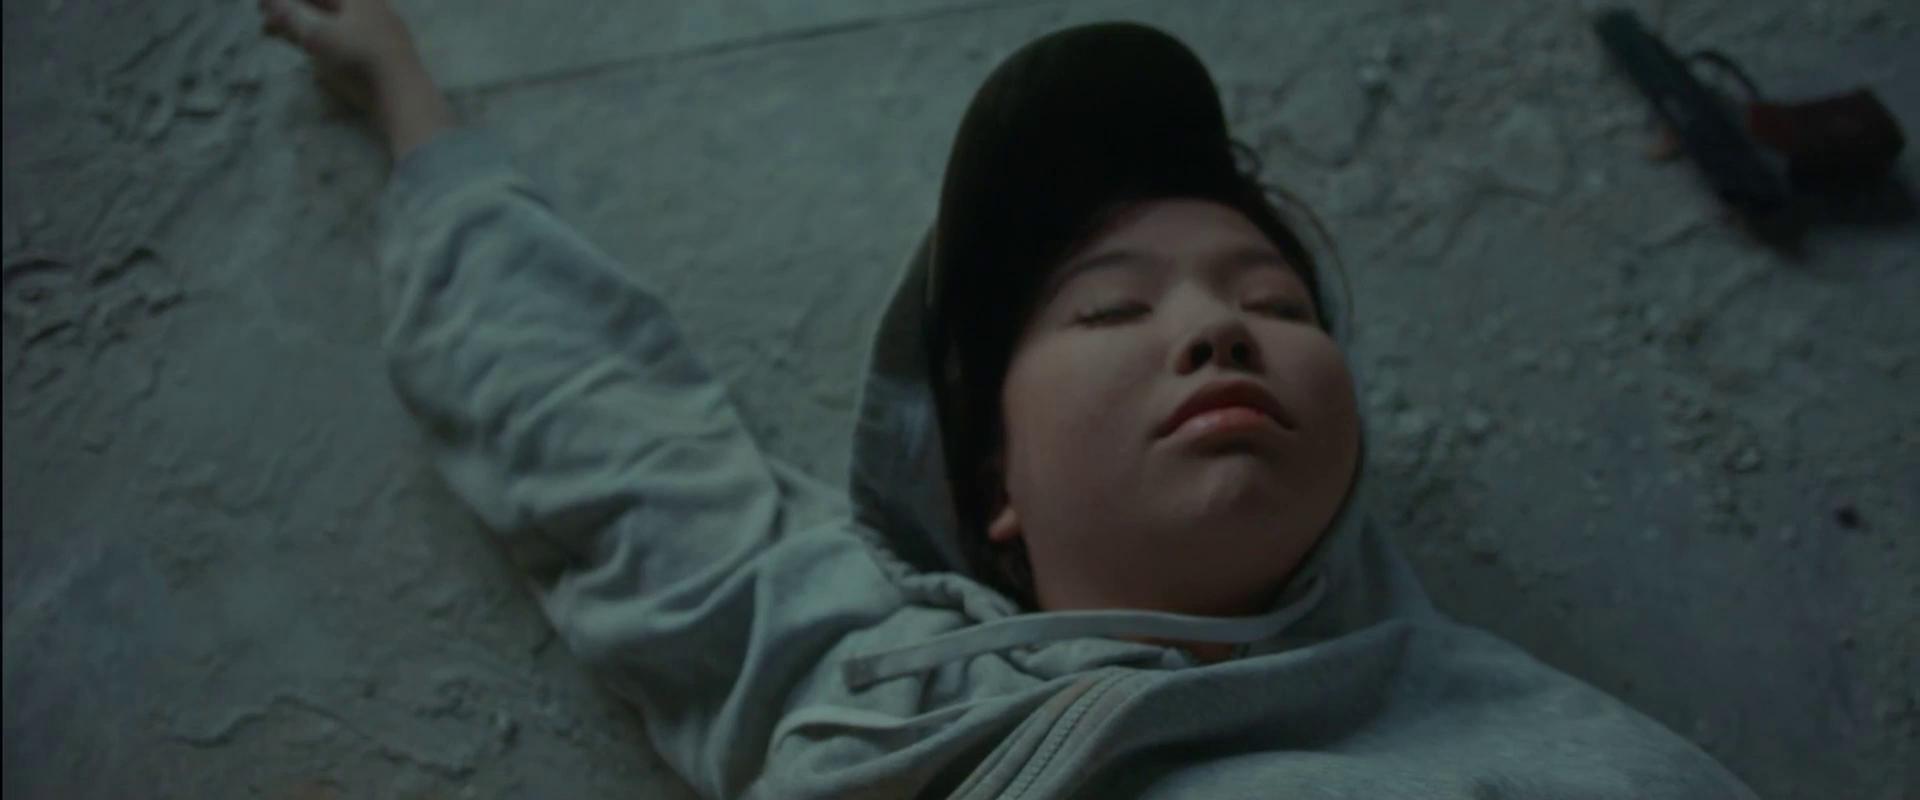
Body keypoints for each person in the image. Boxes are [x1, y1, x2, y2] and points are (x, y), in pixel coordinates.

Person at [261, 0, 1759, 797]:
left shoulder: (1555, 755)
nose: (1216, 332)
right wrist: (409, 105)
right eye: (1114, 309)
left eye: (1273, 305)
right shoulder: (866, 678)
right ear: (994, 485)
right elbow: (605, 440)